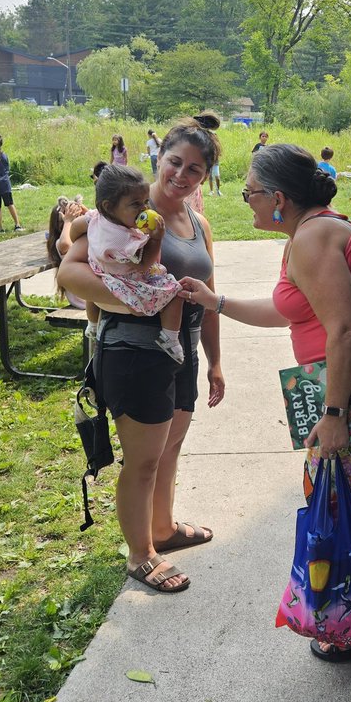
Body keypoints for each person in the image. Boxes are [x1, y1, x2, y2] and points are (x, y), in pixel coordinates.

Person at [178, 143, 351, 663]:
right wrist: (217, 303)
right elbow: (297, 313)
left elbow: (344, 331)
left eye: (250, 192)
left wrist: (333, 415)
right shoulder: (306, 232)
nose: (245, 201)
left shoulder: (313, 238)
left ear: (278, 198)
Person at [55, 114, 224, 594]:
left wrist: (214, 360)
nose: (181, 175)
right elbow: (68, 269)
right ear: (159, 157)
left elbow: (210, 294)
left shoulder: (198, 222)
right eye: (175, 162)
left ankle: (163, 529)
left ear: (204, 176)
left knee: (169, 449)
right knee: (143, 460)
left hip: (182, 350)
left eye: (195, 169)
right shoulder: (125, 209)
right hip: (134, 352)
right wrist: (132, 298)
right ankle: (140, 554)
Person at [64, 165, 186, 363]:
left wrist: (84, 236)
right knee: (175, 292)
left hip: (102, 274)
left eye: (146, 202)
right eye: (136, 204)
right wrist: (156, 239)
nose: (144, 209)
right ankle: (170, 338)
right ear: (108, 206)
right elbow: (143, 266)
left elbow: (76, 228)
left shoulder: (96, 218)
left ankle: (93, 325)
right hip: (126, 283)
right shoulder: (124, 240)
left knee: (91, 287)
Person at [46, 196, 100, 338]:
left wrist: (87, 213)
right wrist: (68, 221)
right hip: (83, 297)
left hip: (90, 294)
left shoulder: (85, 237)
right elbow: (65, 245)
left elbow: (100, 224)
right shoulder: (61, 242)